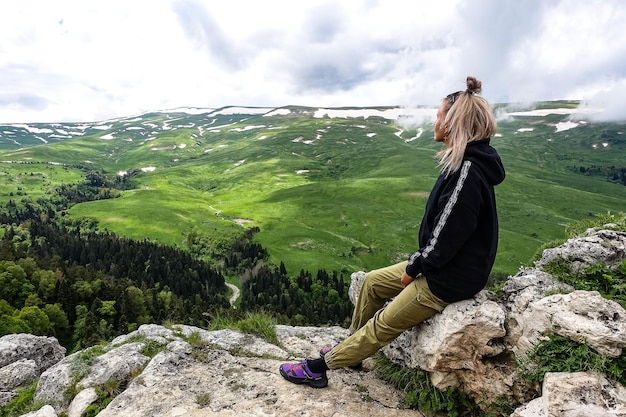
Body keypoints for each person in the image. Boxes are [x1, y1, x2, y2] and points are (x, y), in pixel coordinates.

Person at [279, 76, 506, 388]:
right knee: (371, 283)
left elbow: (447, 235)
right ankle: (352, 351)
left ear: (453, 123)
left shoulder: (467, 172)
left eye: (439, 115)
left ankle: (318, 367)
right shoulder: (466, 163)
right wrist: (420, 263)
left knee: (382, 325)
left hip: (449, 278)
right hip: (442, 265)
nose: (435, 120)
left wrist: (415, 267)